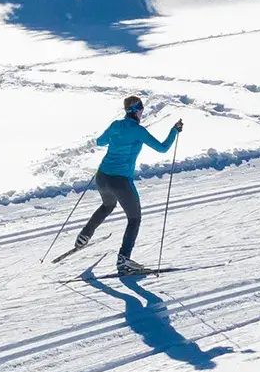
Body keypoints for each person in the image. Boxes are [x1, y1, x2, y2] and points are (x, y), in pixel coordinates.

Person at [72, 95, 180, 273]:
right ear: (137, 110)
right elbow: (162, 148)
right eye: (142, 108)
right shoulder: (138, 130)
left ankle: (84, 236)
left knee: (107, 206)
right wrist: (174, 131)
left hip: (102, 177)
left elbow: (100, 141)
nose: (142, 111)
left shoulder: (115, 125)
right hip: (120, 181)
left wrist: (115, 138)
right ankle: (124, 259)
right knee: (134, 218)